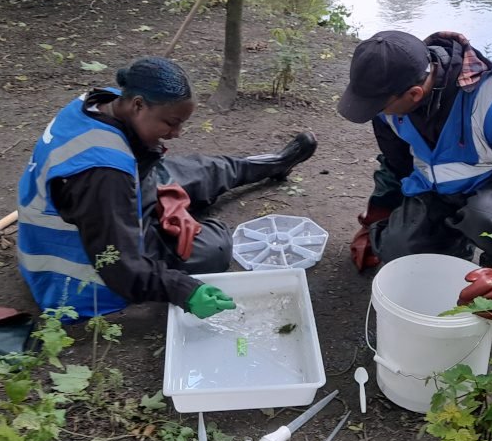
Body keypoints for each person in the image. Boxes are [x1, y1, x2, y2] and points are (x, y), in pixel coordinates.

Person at [17, 55, 317, 321]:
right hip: (81, 270)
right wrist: (185, 291)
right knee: (214, 248)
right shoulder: (104, 176)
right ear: (138, 105)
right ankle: (190, 217)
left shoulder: (102, 101)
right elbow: (121, 267)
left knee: (203, 170)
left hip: (121, 192)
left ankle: (275, 164)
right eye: (171, 123)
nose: (177, 133)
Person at [337, 30, 492, 302]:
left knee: (484, 214)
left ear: (415, 93)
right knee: (396, 249)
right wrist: (374, 221)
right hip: (435, 192)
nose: (376, 112)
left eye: (379, 106)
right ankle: (453, 252)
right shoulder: (388, 108)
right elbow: (396, 167)